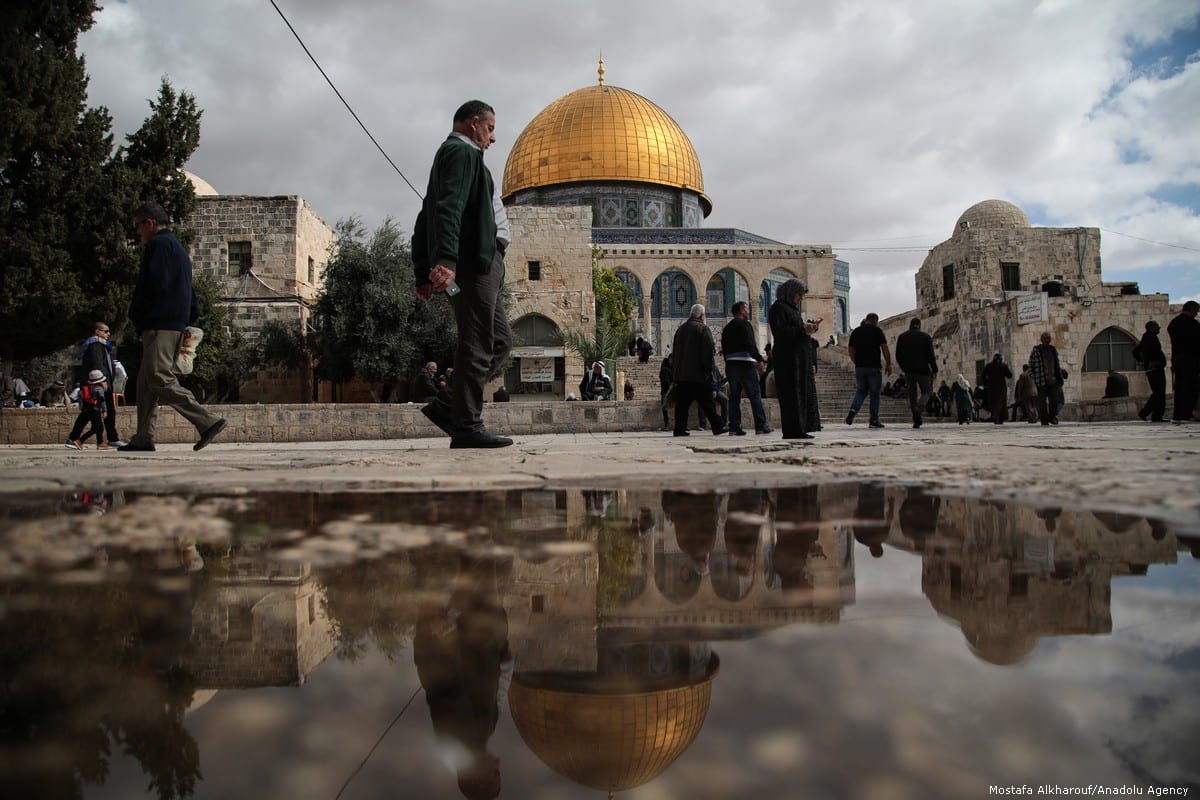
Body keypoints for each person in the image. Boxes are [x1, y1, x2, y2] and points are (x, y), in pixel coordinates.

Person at [412, 100, 513, 448]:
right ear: (474, 123)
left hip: (483, 263)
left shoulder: (460, 156)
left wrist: (422, 271)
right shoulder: (461, 152)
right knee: (477, 343)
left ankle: (447, 407)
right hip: (474, 266)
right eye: (490, 128)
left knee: (499, 342)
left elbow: (427, 215)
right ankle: (466, 425)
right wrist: (445, 261)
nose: (493, 137)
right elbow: (446, 210)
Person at [121, 202, 227, 453]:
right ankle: (143, 437)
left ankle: (207, 421)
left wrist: (141, 315)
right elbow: (189, 290)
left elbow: (155, 285)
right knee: (145, 384)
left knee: (158, 376)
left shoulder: (158, 245)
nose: (137, 232)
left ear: (148, 222)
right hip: (172, 321)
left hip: (160, 323)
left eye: (138, 226)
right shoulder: (178, 249)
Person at [768, 279, 821, 440]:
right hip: (787, 359)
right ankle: (792, 430)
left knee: (800, 393)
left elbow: (797, 331)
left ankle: (800, 428)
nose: (801, 298)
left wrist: (810, 329)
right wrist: (802, 329)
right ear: (790, 292)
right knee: (791, 394)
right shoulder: (778, 308)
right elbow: (781, 333)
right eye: (799, 294)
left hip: (798, 359)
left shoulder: (792, 310)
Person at [670, 304, 725, 437]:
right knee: (707, 403)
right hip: (698, 375)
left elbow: (675, 354)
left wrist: (676, 374)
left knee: (682, 405)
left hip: (682, 376)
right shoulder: (702, 329)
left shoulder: (680, 329)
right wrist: (709, 372)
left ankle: (679, 429)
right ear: (701, 316)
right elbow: (707, 353)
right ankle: (717, 426)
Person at [721, 300, 772, 435]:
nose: (748, 311)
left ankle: (734, 427)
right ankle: (761, 425)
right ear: (741, 311)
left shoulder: (727, 327)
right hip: (745, 364)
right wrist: (759, 360)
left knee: (734, 396)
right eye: (746, 309)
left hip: (731, 365)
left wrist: (729, 363)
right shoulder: (745, 325)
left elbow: (724, 349)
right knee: (754, 394)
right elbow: (750, 344)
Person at [844, 312, 892, 429]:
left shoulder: (856, 331)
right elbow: (884, 348)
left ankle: (853, 410)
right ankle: (874, 420)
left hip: (860, 367)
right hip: (874, 367)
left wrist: (856, 362)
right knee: (874, 394)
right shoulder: (877, 331)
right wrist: (888, 364)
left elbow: (850, 349)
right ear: (875, 321)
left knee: (861, 391)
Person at [79, 321, 123, 444]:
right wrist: (102, 380)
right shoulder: (95, 345)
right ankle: (112, 438)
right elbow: (97, 364)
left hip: (103, 383)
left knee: (95, 412)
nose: (108, 334)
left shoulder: (102, 345)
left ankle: (76, 438)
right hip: (100, 384)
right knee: (96, 412)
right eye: (106, 331)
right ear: (97, 332)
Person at [894, 317, 938, 429]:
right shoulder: (925, 337)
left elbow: (898, 355)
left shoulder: (902, 337)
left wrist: (903, 367)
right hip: (923, 370)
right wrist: (934, 369)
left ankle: (916, 419)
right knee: (926, 391)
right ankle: (920, 407)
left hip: (908, 371)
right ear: (919, 325)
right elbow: (931, 356)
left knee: (912, 395)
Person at [1167, 300, 1200, 424]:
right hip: (1190, 358)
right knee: (1190, 386)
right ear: (1191, 309)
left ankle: (1179, 413)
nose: (1196, 314)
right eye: (1196, 311)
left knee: (1180, 387)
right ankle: (1186, 412)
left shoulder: (1174, 322)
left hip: (1178, 358)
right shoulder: (1191, 324)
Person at [1133, 320, 1167, 422]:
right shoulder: (1149, 337)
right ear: (1151, 327)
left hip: (1153, 368)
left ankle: (1148, 413)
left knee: (1158, 392)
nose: (1159, 328)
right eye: (1157, 326)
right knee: (1159, 392)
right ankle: (1153, 414)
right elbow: (1149, 350)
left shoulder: (1147, 337)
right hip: (1154, 369)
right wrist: (1150, 361)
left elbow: (1136, 351)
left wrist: (1142, 361)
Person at [1028, 331, 1064, 426]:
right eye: (1045, 339)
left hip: (1053, 380)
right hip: (1041, 381)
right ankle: (1044, 419)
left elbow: (1057, 364)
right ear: (1041, 339)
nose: (1046, 340)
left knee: (1054, 400)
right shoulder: (1036, 350)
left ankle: (1052, 417)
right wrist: (1034, 376)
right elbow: (1030, 365)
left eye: (1048, 339)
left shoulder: (1052, 350)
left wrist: (1059, 377)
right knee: (1042, 401)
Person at [66, 369, 108, 450]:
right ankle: (80, 441)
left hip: (86, 410)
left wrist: (82, 408)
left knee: (96, 427)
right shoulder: (99, 389)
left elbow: (81, 401)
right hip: (95, 411)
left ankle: (100, 443)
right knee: (96, 428)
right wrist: (104, 411)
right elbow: (102, 401)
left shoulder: (85, 389)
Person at [981, 353, 1013, 424]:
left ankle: (995, 417)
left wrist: (986, 384)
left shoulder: (989, 366)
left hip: (992, 387)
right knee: (1001, 402)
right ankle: (1001, 417)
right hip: (1001, 387)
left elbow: (983, 376)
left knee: (994, 402)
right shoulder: (1003, 366)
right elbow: (1009, 375)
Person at [658, 353, 674, 430]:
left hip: (674, 390)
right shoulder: (664, 369)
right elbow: (665, 382)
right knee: (664, 406)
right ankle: (667, 423)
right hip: (666, 391)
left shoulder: (674, 368)